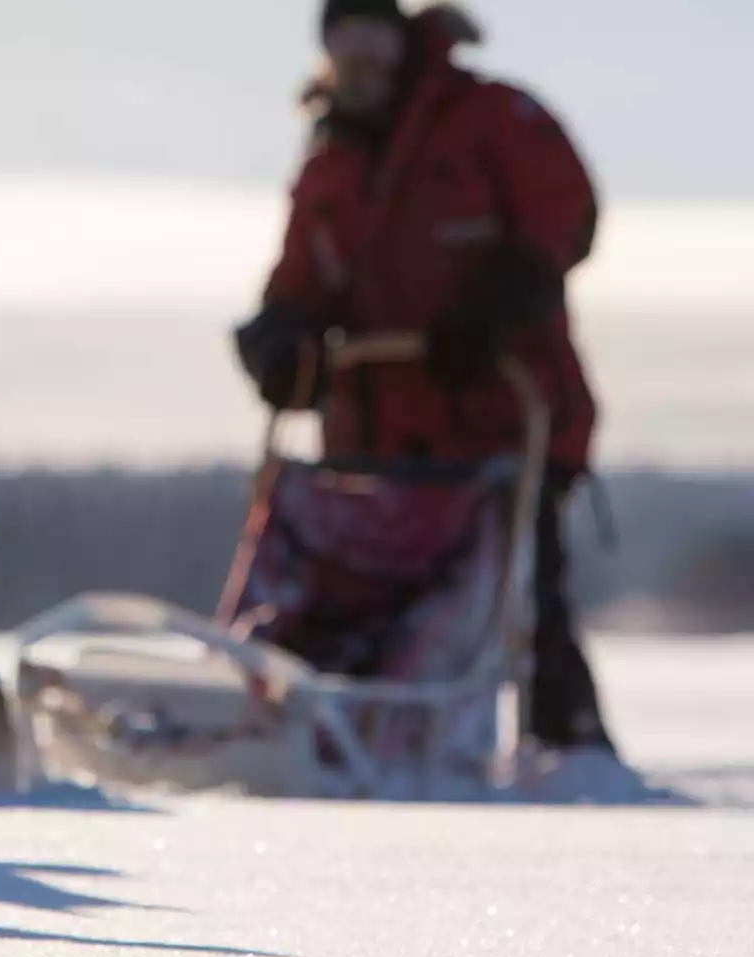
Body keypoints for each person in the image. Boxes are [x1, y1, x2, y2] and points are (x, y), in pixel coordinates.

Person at [231, 1, 619, 765]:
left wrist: (492, 312)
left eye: (373, 41)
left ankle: (570, 760)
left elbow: (564, 219)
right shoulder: (331, 164)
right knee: (357, 615)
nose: (360, 62)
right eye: (345, 46)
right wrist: (280, 337)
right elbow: (301, 281)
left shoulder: (493, 119)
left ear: (403, 41)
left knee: (526, 610)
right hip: (375, 449)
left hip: (504, 424)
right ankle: (346, 751)